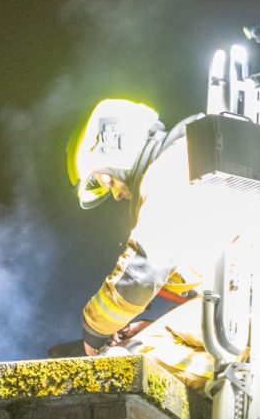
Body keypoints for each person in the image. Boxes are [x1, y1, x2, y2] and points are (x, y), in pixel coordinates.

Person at [67, 98, 216, 387]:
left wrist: (94, 330)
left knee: (132, 356)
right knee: (153, 337)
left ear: (116, 144)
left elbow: (143, 270)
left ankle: (253, 380)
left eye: (104, 180)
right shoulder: (195, 152)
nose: (116, 194)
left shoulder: (172, 167)